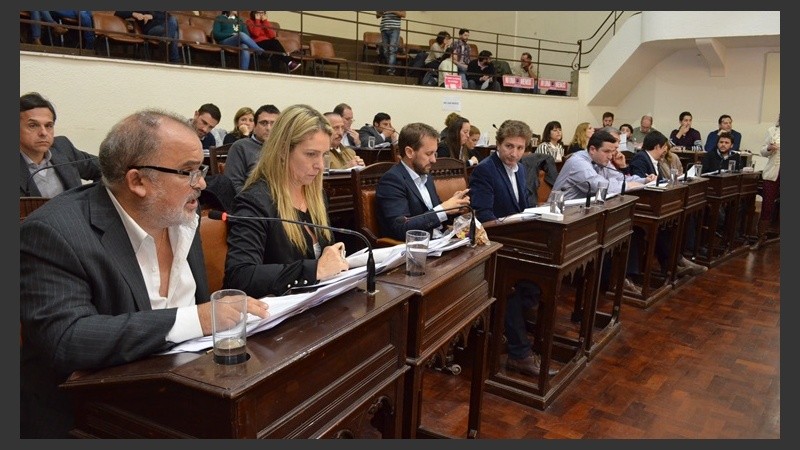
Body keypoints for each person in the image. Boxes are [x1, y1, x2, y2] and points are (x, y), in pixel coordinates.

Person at [20, 108, 270, 438]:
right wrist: (198, 319)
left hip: (180, 392)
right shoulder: (54, 232)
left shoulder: (180, 217)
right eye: (188, 172)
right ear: (137, 181)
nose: (202, 183)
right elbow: (66, 339)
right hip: (90, 418)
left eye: (200, 169)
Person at [223, 104, 350, 298]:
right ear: (282, 151)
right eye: (311, 154)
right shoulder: (254, 201)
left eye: (323, 154)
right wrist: (314, 269)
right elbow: (240, 276)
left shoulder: (317, 196)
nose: (320, 165)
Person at [470, 119, 556, 377]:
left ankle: (518, 333)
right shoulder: (486, 170)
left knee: (537, 280)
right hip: (492, 243)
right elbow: (483, 216)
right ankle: (520, 354)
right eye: (509, 146)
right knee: (511, 290)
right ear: (498, 144)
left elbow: (522, 207)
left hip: (516, 240)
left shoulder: (520, 170)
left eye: (520, 148)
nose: (514, 153)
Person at [629, 130, 707, 281]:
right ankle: (673, 264)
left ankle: (675, 262)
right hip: (643, 207)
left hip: (656, 205)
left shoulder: (654, 161)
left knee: (672, 222)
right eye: (665, 146)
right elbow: (639, 185)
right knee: (663, 226)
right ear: (658, 146)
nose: (666, 150)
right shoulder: (641, 159)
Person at [376, 122, 471, 241]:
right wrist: (442, 209)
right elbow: (400, 228)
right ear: (409, 152)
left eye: (435, 153)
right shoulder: (392, 180)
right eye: (429, 154)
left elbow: (435, 216)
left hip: (439, 240)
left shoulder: (426, 176)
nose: (434, 160)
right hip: (415, 249)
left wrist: (454, 206)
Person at [19, 92, 101, 197]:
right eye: (33, 125)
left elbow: (108, 169)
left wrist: (91, 201)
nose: (43, 133)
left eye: (49, 125)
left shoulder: (63, 147)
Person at [225, 104, 280, 192]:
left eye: (273, 124)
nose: (269, 128)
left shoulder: (285, 148)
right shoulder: (240, 147)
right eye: (264, 123)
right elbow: (233, 184)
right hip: (250, 200)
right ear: (254, 126)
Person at [750, 114, 780, 250]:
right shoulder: (772, 130)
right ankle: (761, 236)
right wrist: (768, 148)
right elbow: (762, 151)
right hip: (773, 172)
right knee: (767, 203)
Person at [114, 11, 180, 63]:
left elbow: (167, 15)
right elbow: (118, 12)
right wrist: (133, 14)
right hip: (150, 29)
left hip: (164, 28)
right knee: (173, 31)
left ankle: (165, 41)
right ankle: (174, 60)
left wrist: (152, 16)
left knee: (173, 26)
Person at [376, 10, 405, 75]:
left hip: (394, 28)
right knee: (385, 50)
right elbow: (377, 16)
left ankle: (391, 70)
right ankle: (392, 65)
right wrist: (381, 12)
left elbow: (403, 15)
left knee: (392, 49)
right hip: (384, 28)